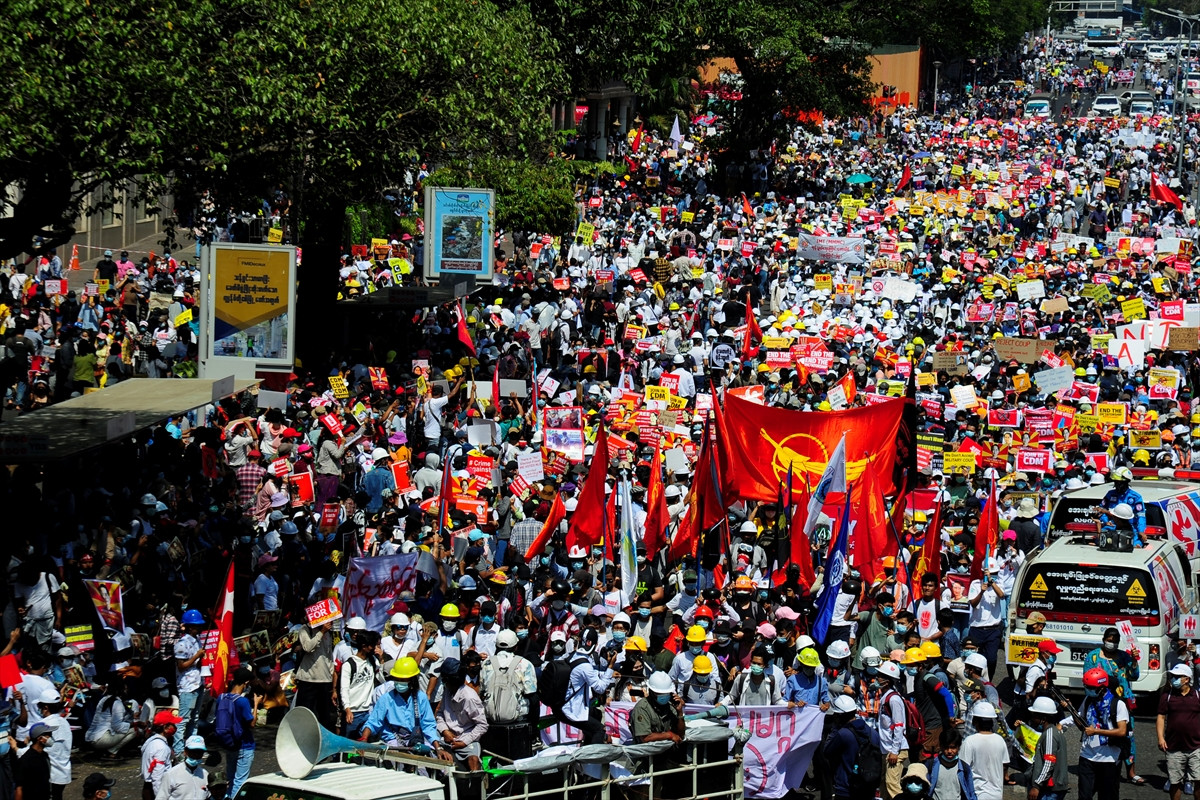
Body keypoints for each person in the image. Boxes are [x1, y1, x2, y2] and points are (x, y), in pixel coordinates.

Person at [1081, 627, 1141, 785]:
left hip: (1122, 701)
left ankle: (1131, 771)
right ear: (1103, 639)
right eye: (1109, 640)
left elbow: (1134, 676)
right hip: (1101, 702)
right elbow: (1087, 680)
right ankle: (1099, 766)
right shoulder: (1092, 657)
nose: (1112, 644)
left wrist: (1134, 661)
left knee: (1127, 734)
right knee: (1102, 732)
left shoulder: (1124, 656)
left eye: (1115, 641)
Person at [360, 658, 445, 758]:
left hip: (417, 740)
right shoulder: (386, 699)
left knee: (431, 765)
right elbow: (373, 722)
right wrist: (364, 740)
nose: (399, 682)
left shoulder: (421, 698)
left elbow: (428, 725)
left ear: (412, 680)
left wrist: (438, 748)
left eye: (403, 680)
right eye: (397, 679)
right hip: (393, 741)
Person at [1076, 667, 1128, 800]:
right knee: (1084, 796)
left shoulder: (1118, 704)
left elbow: (1122, 731)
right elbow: (1081, 724)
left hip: (1109, 759)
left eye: (1091, 687)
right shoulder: (1088, 700)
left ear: (1102, 688)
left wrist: (1096, 731)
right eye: (1086, 686)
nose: (1088, 690)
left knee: (1107, 796)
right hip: (1087, 756)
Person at [435, 659, 488, 771]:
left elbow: (482, 725)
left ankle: (476, 785)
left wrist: (464, 742)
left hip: (466, 739)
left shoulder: (469, 698)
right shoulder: (447, 691)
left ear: (448, 679)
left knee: (473, 761)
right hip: (446, 738)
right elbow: (439, 714)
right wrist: (445, 731)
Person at [1158, 663, 1200, 800]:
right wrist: (1160, 738)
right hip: (1174, 747)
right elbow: (1161, 717)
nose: (1173, 679)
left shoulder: (1197, 695)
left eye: (1177, 676)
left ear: (1187, 679)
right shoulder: (1167, 696)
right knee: (1175, 783)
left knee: (1198, 781)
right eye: (1172, 676)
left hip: (1196, 747)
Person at [215, 667, 257, 800]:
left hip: (229, 743)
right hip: (244, 745)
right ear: (245, 683)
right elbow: (252, 723)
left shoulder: (221, 697)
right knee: (240, 781)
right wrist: (255, 705)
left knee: (230, 778)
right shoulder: (242, 701)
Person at [172, 609, 206, 755]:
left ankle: (193, 747)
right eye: (195, 626)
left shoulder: (198, 641)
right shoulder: (181, 644)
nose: (198, 629)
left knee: (195, 718)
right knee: (183, 719)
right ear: (189, 627)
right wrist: (196, 656)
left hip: (198, 682)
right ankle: (179, 750)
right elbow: (181, 666)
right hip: (187, 686)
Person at [959, 701, 1007, 800]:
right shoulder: (1000, 740)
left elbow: (962, 768)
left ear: (975, 721)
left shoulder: (969, 741)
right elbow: (1004, 765)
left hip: (977, 794)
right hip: (997, 794)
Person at [875, 660, 908, 800]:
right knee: (884, 784)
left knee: (892, 784)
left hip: (895, 750)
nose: (877, 678)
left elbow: (899, 726)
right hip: (886, 750)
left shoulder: (893, 700)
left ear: (887, 681)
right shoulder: (885, 697)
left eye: (880, 676)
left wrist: (894, 751)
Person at [1026, 696, 1068, 800]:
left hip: (1049, 791)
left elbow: (1049, 763)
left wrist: (1036, 786)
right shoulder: (1052, 732)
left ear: (1043, 719)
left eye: (1034, 716)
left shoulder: (1050, 735)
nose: (1032, 719)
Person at [925, 728, 977, 800]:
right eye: (946, 747)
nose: (949, 751)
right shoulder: (930, 766)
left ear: (958, 747)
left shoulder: (964, 768)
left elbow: (971, 793)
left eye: (953, 747)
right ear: (941, 746)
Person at [156, 735, 211, 800]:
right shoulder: (171, 774)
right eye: (193, 751)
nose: (196, 754)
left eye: (199, 752)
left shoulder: (205, 774)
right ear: (185, 752)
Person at [142, 711, 181, 800]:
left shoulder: (151, 741)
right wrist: (161, 797)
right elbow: (157, 776)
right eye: (173, 724)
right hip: (155, 790)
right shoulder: (161, 747)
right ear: (165, 727)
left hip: (148, 787)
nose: (175, 727)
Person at [1100, 467, 1145, 542]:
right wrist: (1105, 521)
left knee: (1135, 546)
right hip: (1111, 528)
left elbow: (1141, 516)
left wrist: (1141, 531)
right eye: (1115, 482)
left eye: (1119, 482)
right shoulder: (1110, 494)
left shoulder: (1135, 497)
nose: (1116, 484)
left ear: (1126, 482)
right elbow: (1102, 509)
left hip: (1130, 529)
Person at [15, 723, 52, 800]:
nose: (51, 737)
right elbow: (19, 789)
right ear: (40, 738)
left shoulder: (45, 756)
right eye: (48, 735)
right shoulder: (25, 761)